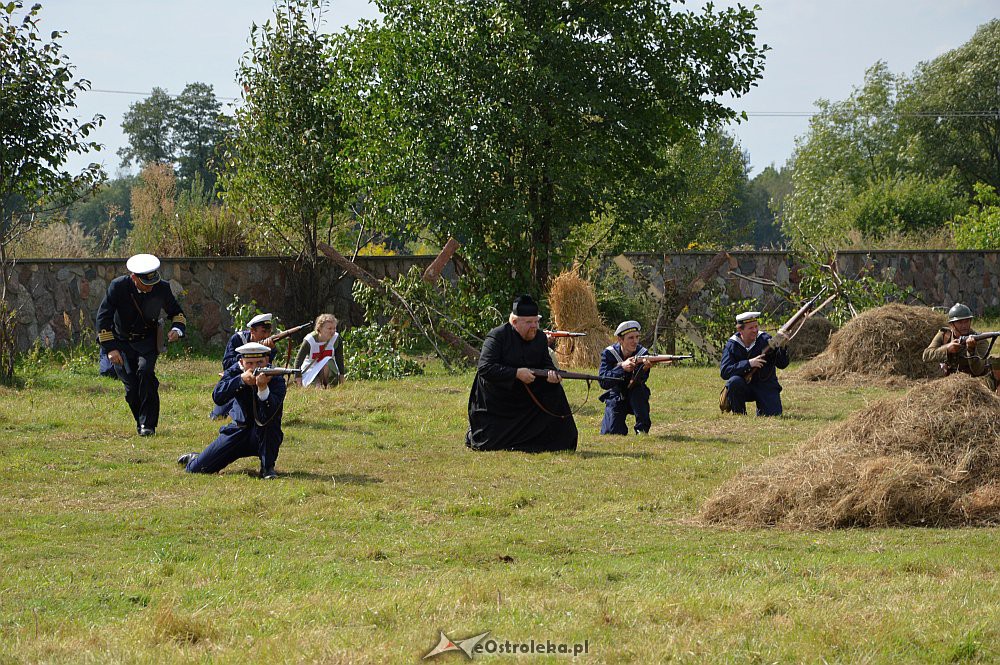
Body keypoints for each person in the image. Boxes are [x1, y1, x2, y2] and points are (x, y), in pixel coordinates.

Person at [466, 295, 578, 452]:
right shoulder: (497, 337)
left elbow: (545, 364)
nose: (534, 326)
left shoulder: (539, 337)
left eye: (536, 322)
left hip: (527, 394)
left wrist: (552, 375)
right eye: (528, 322)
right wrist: (516, 373)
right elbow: (485, 368)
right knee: (490, 444)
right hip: (498, 399)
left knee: (554, 390)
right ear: (514, 322)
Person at [96, 253, 186, 436]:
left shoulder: (162, 288)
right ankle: (141, 420)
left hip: (147, 341)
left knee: (145, 373)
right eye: (146, 283)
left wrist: (177, 330)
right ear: (134, 277)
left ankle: (148, 425)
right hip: (121, 343)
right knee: (131, 387)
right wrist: (111, 349)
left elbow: (177, 313)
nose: (150, 287)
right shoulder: (118, 286)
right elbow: (103, 318)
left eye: (153, 283)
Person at [176, 342, 287, 479]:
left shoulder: (276, 378)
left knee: (269, 427)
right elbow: (218, 397)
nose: (254, 368)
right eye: (249, 363)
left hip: (265, 434)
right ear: (241, 362)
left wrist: (263, 388)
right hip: (238, 431)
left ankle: (267, 467)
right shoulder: (235, 371)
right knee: (196, 469)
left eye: (259, 362)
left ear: (267, 361)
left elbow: (270, 413)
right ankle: (196, 458)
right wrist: (240, 380)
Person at [720, 311, 789, 417]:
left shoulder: (766, 339)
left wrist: (783, 347)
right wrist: (748, 364)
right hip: (744, 386)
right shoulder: (732, 345)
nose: (755, 330)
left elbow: (782, 364)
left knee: (773, 415)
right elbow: (725, 371)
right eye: (751, 328)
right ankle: (739, 414)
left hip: (766, 386)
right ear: (740, 330)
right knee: (734, 382)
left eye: (756, 326)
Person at [210, 312, 276, 419]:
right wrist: (246, 358)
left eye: (268, 332)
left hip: (257, 383)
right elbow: (227, 363)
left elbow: (267, 367)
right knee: (217, 415)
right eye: (263, 331)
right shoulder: (238, 339)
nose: (266, 336)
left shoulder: (269, 346)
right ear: (252, 331)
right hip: (237, 378)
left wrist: (268, 351)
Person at [598, 320, 654, 435]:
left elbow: (641, 380)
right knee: (611, 432)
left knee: (639, 391)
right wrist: (621, 367)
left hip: (636, 395)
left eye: (637, 337)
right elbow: (604, 382)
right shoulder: (609, 354)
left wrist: (644, 369)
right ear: (620, 340)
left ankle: (642, 429)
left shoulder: (643, 353)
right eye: (631, 338)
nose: (635, 341)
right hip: (616, 395)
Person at [922, 303, 996, 388]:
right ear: (951, 325)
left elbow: (978, 371)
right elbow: (926, 355)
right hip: (948, 384)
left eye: (966, 321)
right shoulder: (944, 335)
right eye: (960, 322)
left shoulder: (980, 341)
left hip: (974, 385)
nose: (964, 325)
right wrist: (947, 349)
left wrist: (971, 350)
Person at [295, 313, 345, 388]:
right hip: (311, 368)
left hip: (328, 369)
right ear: (320, 328)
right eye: (329, 328)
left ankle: (327, 383)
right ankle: (317, 383)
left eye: (334, 328)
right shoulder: (309, 340)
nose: (332, 331)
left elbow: (339, 358)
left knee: (327, 362)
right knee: (315, 387)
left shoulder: (336, 339)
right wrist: (298, 378)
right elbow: (298, 360)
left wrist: (341, 376)